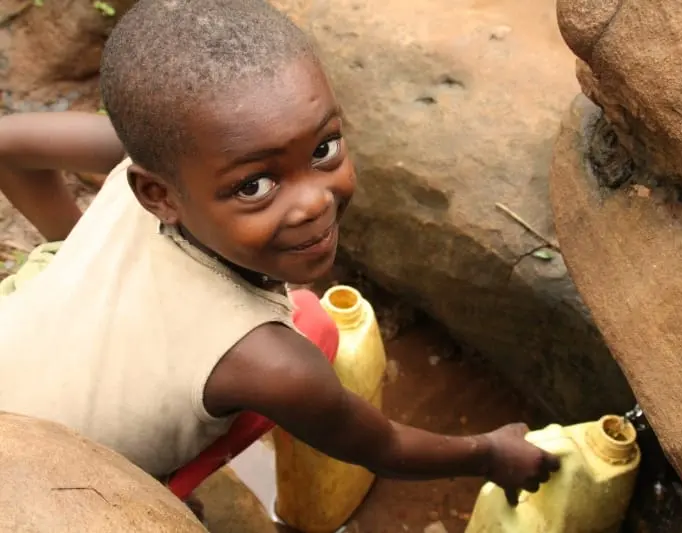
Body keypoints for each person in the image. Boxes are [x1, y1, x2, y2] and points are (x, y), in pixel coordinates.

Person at [0, 0, 559, 512]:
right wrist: (492, 453)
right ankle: (161, 490)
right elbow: (385, 447)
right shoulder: (270, 364)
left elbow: (7, 144)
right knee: (312, 328)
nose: (315, 202)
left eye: (324, 148)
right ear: (158, 196)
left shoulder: (174, 159)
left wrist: (75, 249)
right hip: (44, 486)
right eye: (254, 186)